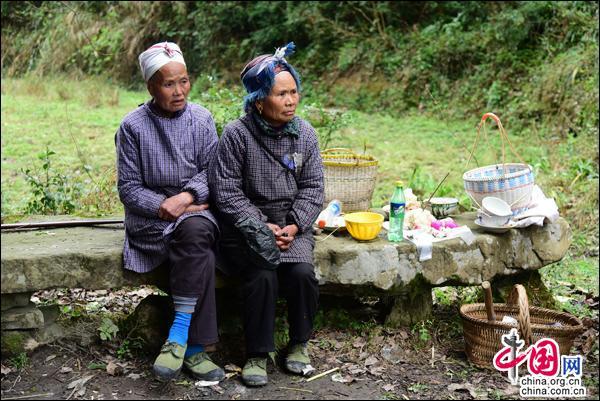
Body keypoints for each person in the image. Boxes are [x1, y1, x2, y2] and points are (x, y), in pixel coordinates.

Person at [208, 42, 324, 387]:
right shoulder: (236, 135)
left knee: (303, 274)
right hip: (245, 229)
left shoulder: (305, 135)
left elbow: (314, 187)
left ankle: (299, 345)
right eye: (280, 94)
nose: (291, 100)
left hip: (292, 227)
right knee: (261, 276)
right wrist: (261, 226)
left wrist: (293, 224)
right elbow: (226, 191)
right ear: (259, 100)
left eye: (294, 92)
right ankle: (258, 353)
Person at [115, 41, 224, 382]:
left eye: (184, 81)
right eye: (168, 84)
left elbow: (213, 171)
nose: (179, 92)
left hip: (194, 214)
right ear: (150, 86)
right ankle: (194, 349)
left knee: (195, 232)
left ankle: (178, 336)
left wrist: (188, 196)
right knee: (199, 245)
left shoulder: (202, 119)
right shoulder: (132, 127)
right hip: (151, 223)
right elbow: (129, 188)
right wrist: (167, 205)